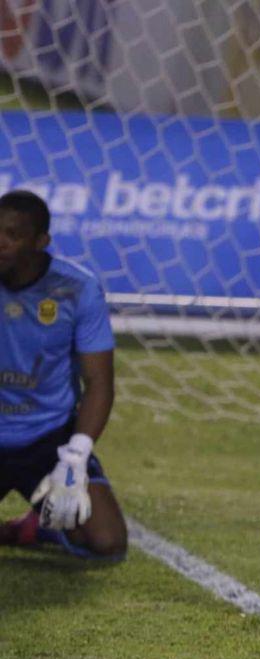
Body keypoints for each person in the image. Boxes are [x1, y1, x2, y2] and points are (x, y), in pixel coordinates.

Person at [0, 189, 127, 560]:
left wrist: (75, 456)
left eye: (12, 234)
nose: (0, 243)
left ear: (41, 241)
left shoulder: (77, 289)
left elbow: (99, 384)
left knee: (106, 543)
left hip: (48, 440)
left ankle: (29, 529)